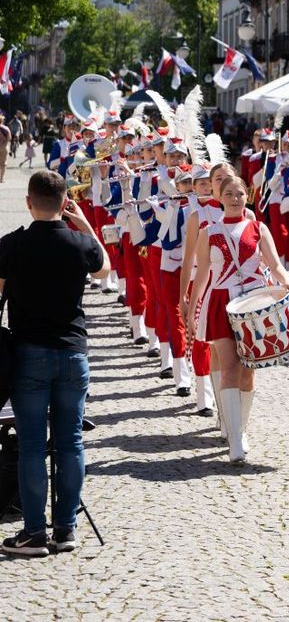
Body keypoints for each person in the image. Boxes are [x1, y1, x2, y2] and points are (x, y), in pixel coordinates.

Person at [0, 171, 110, 556]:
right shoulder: (80, 243)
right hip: (73, 352)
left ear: (29, 202)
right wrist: (84, 224)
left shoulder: (11, 245)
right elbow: (104, 269)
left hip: (29, 352)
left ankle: (33, 533)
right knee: (70, 443)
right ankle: (66, 529)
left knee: (32, 445)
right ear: (65, 203)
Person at [187, 176, 289, 464]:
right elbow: (202, 276)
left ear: (247, 197)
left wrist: (288, 284)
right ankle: (234, 438)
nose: (235, 198)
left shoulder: (258, 228)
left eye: (240, 193)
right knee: (230, 367)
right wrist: (191, 309)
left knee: (249, 370)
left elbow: (275, 265)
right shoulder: (208, 231)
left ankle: (241, 428)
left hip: (254, 302)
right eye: (229, 193)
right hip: (221, 302)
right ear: (218, 196)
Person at [0, 114, 11, 182]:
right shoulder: (6, 128)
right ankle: (1, 178)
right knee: (3, 163)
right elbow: (9, 138)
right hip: (4, 147)